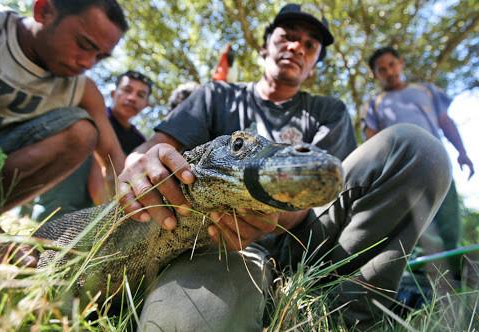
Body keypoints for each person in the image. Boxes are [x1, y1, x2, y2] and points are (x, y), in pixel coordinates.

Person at [118, 4, 451, 330]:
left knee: (416, 147)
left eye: (310, 45)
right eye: (288, 36)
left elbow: (326, 200)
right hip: (215, 241)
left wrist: (266, 212)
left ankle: (347, 314)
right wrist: (139, 164)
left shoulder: (327, 111)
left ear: (314, 66)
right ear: (264, 47)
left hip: (305, 237)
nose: (297, 47)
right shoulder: (215, 96)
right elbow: (153, 151)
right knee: (185, 319)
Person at [0, 0, 128, 266]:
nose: (88, 62)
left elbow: (114, 163)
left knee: (83, 132)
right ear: (44, 11)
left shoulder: (82, 90)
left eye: (100, 56)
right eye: (85, 44)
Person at [363, 46, 475, 276]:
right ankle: (417, 285)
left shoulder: (425, 90)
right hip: (403, 173)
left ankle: (454, 283)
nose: (389, 72)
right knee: (413, 229)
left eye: (391, 65)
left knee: (448, 226)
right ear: (376, 75)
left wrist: (462, 152)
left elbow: (445, 121)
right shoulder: (375, 103)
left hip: (439, 166)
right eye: (382, 69)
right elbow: (372, 138)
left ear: (400, 63)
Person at [37, 70, 152, 217]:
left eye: (140, 95)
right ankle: (51, 217)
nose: (132, 98)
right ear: (113, 93)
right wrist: (106, 213)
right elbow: (97, 171)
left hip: (106, 199)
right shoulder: (94, 116)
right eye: (127, 90)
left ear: (146, 104)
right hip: (69, 193)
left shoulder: (139, 142)